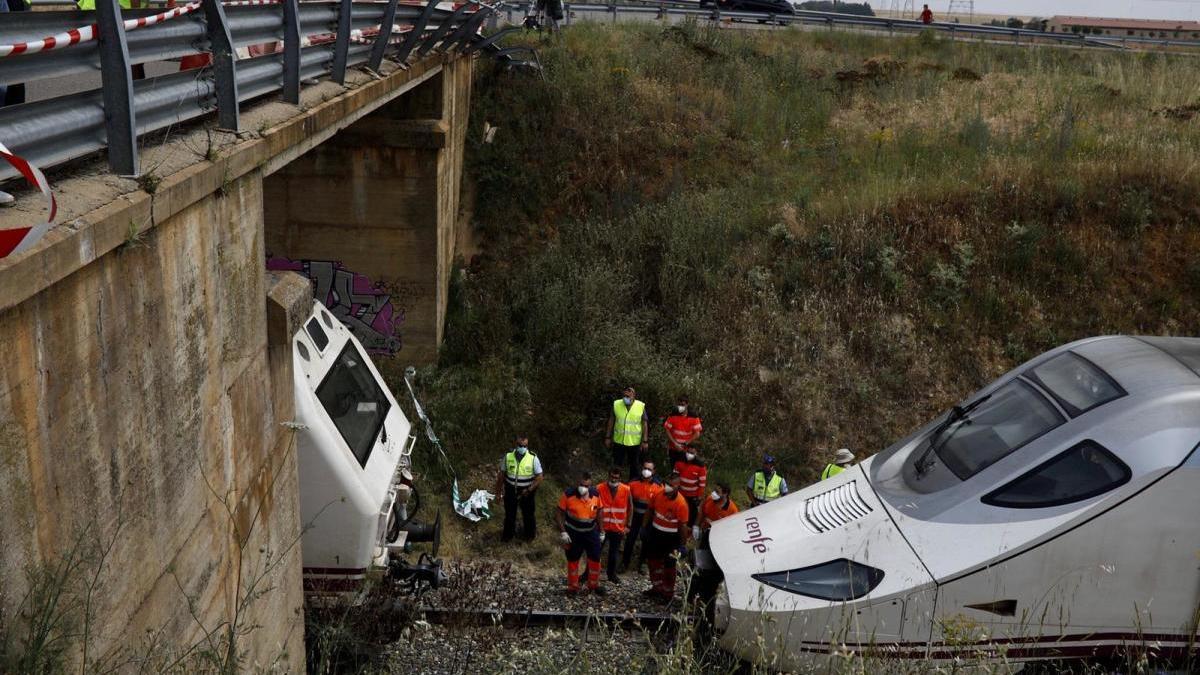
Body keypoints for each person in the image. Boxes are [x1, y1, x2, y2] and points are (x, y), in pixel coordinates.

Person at [556, 472, 607, 596]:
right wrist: (563, 532)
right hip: (573, 533)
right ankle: (573, 587)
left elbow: (600, 512)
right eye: (581, 484)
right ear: (577, 483)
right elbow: (558, 513)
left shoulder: (596, 495)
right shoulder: (568, 494)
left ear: (590, 485)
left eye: (586, 485)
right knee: (573, 559)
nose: (583, 487)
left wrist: (601, 531)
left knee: (595, 558)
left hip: (591, 532)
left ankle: (594, 585)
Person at [642, 472, 689, 602]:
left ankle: (668, 593)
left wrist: (682, 545)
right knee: (653, 561)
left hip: (671, 538)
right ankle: (656, 587)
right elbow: (650, 510)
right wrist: (644, 527)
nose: (667, 487)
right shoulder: (658, 493)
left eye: (671, 485)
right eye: (667, 483)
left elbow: (683, 526)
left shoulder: (681, 503)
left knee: (669, 566)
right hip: (656, 534)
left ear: (677, 486)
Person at [493, 435, 543, 542]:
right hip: (511, 490)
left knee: (528, 515)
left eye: (525, 446)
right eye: (520, 445)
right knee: (510, 515)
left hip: (527, 491)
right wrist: (498, 493)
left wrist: (529, 489)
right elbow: (501, 476)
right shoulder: (508, 457)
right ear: (516, 445)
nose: (522, 448)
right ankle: (507, 537)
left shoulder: (533, 458)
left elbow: (539, 477)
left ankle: (529, 537)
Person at [622, 459, 661, 573]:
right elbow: (627, 503)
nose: (646, 471)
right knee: (630, 540)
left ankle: (642, 564)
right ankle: (624, 563)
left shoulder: (658, 486)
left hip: (649, 519)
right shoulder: (632, 483)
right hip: (634, 518)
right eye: (645, 468)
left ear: (654, 471)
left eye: (649, 469)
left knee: (647, 541)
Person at [596, 466, 633, 583]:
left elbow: (631, 508)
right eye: (612, 476)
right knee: (595, 551)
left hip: (617, 528)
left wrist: (628, 525)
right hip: (602, 527)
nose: (613, 479)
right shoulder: (599, 488)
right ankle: (588, 573)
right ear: (608, 476)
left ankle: (611, 575)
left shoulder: (626, 489)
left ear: (620, 478)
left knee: (614, 554)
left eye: (616, 477)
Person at [605, 386, 648, 479]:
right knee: (616, 464)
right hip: (618, 441)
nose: (626, 398)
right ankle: (615, 482)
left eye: (628, 396)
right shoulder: (616, 404)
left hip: (634, 443)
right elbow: (611, 420)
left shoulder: (640, 406)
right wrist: (607, 437)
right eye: (624, 395)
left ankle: (633, 485)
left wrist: (645, 441)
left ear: (634, 396)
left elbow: (644, 424)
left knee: (634, 466)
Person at [663, 396, 702, 466]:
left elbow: (697, 433)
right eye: (679, 405)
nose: (680, 407)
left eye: (683, 405)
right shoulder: (673, 414)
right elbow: (667, 430)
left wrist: (686, 443)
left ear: (687, 405)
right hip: (673, 447)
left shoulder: (693, 416)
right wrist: (675, 443)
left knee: (684, 468)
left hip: (686, 448)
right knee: (673, 467)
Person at [674, 447, 707, 526]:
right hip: (681, 493)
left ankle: (689, 528)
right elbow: (675, 477)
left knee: (692, 513)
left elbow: (702, 484)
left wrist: (699, 496)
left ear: (696, 454)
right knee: (679, 510)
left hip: (693, 495)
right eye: (688, 452)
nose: (689, 454)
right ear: (685, 451)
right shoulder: (679, 462)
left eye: (692, 453)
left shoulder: (701, 466)